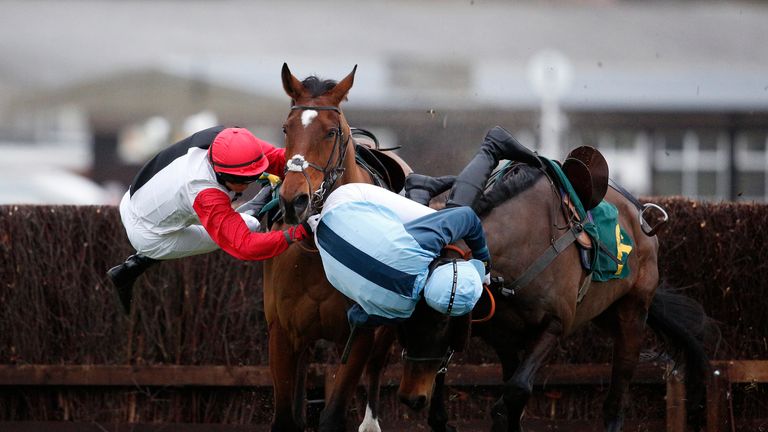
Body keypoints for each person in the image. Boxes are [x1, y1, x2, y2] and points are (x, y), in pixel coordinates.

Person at [107, 126, 309, 313]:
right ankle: (130, 270)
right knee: (250, 225)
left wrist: (310, 165)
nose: (249, 183)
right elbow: (245, 246)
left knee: (232, 216)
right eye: (245, 180)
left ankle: (130, 268)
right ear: (221, 173)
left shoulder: (231, 140)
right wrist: (298, 233)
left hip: (136, 197)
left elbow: (275, 157)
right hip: (149, 235)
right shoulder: (205, 192)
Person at [306, 182, 492, 326]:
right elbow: (355, 317)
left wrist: (484, 262)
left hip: (345, 200)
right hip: (322, 243)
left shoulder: (422, 246)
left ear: (447, 266)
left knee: (433, 220)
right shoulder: (399, 313)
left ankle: (420, 186)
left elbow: (467, 217)